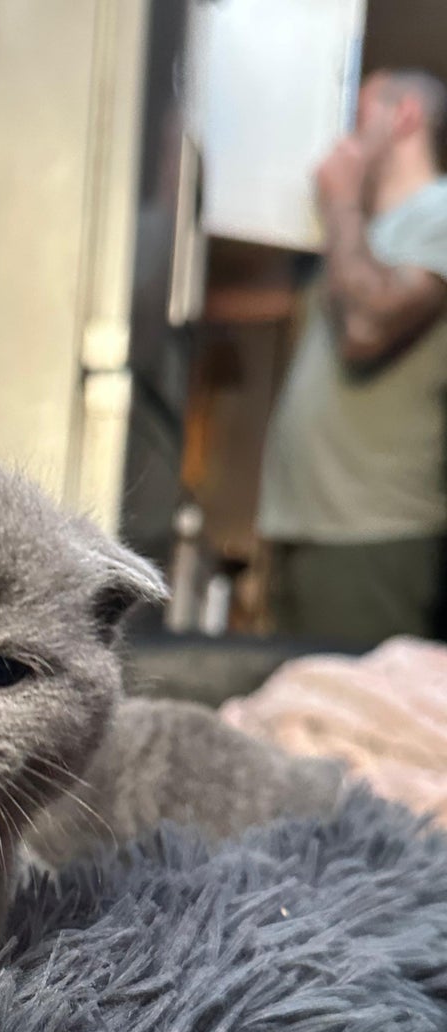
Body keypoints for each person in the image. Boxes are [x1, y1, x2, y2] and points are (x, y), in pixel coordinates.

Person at [258, 70, 447, 648]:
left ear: (405, 116)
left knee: (354, 733)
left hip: (371, 535)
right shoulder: (371, 234)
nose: (344, 137)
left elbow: (367, 325)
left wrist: (340, 203)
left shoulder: (439, 212)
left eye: (360, 116)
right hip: (308, 529)